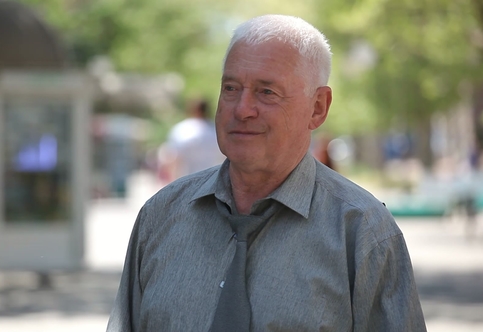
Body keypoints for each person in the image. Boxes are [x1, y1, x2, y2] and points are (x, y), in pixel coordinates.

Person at [107, 14, 426, 332]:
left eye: (267, 92)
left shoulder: (362, 233)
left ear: (318, 107)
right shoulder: (161, 217)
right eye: (231, 88)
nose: (242, 109)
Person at [158, 98, 225, 183]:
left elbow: (171, 158)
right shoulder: (216, 131)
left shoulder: (182, 130)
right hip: (211, 182)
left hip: (185, 182)